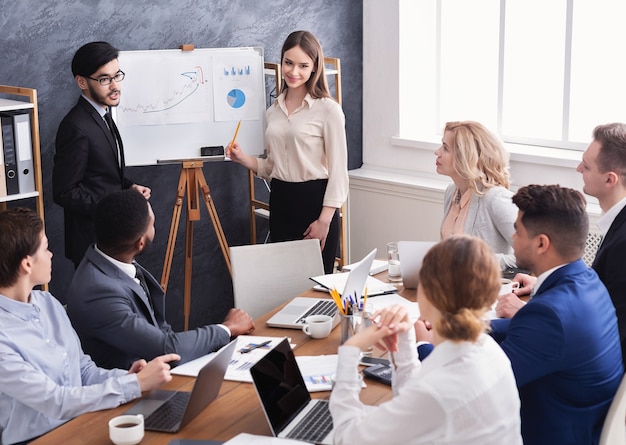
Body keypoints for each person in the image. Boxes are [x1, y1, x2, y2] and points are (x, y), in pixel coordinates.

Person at [0, 207, 179, 445]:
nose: (52, 255)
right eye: (45, 248)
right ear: (27, 264)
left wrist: (126, 376)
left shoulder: (48, 304)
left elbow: (83, 371)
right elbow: (56, 401)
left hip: (80, 422)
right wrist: (133, 385)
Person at [329, 236, 522, 445]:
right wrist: (404, 342)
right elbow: (413, 399)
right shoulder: (488, 350)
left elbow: (346, 438)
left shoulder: (438, 392)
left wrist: (350, 349)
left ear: (427, 294)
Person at [489, 184, 623, 444]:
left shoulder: (550, 314)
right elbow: (529, 333)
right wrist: (467, 327)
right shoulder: (588, 280)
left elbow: (481, 382)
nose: (513, 238)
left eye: (517, 230)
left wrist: (425, 345)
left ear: (541, 243)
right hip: (583, 424)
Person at [65, 189, 255, 370]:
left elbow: (162, 332)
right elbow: (167, 348)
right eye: (152, 224)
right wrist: (227, 328)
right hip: (130, 389)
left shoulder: (112, 260)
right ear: (140, 243)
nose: (155, 228)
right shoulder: (98, 292)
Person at [496, 124, 626, 368]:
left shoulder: (623, 241)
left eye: (586, 166)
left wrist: (529, 313)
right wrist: (550, 282)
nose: (578, 169)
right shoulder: (617, 223)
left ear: (610, 179)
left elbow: (608, 326)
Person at [227, 30, 348, 274]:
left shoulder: (328, 110)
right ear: (281, 61)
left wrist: (324, 221)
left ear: (315, 67)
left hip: (315, 205)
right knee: (284, 288)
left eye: (303, 65)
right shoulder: (273, 111)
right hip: (281, 202)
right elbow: (272, 169)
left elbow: (339, 174)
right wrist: (243, 159)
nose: (294, 72)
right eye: (288, 63)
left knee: (316, 289)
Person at [53, 41, 151, 268]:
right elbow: (64, 192)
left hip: (111, 239)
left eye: (117, 76)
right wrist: (111, 209)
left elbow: (100, 173)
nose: (115, 86)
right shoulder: (75, 126)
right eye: (104, 79)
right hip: (92, 243)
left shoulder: (103, 115)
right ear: (82, 82)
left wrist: (129, 187)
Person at [434, 121, 517, 270]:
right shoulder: (451, 191)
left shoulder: (496, 198)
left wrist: (478, 260)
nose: (437, 152)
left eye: (445, 148)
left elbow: (530, 257)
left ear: (465, 157)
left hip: (484, 290)